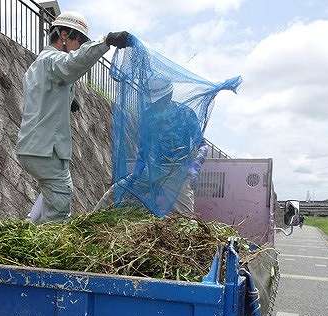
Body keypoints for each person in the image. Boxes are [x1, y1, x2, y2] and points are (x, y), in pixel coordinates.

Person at [17, 11, 133, 223]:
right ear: (63, 35)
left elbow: (44, 93)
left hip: (33, 146)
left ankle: (29, 228)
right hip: (46, 149)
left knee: (51, 191)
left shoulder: (38, 65)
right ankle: (46, 249)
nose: (79, 46)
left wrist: (67, 100)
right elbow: (71, 64)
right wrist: (105, 41)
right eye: (79, 40)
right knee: (60, 202)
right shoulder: (53, 60)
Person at [105, 76, 208, 215]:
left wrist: (194, 167)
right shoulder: (148, 115)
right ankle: (87, 224)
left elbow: (202, 145)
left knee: (186, 220)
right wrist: (137, 173)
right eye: (154, 102)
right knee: (115, 192)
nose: (156, 105)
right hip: (153, 170)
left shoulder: (186, 114)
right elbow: (143, 150)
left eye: (160, 101)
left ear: (169, 96)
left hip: (178, 173)